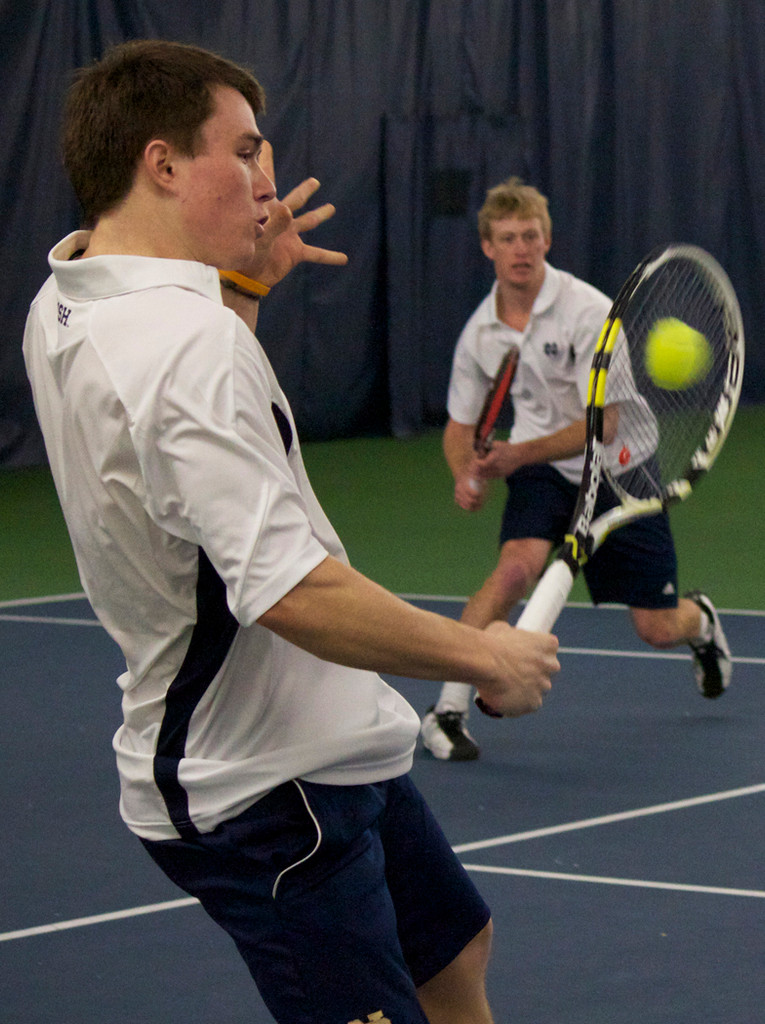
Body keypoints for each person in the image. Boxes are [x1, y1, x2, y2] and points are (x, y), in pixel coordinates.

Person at [23, 41, 560, 1024]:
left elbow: (185, 459)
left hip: (323, 732)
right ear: (163, 164)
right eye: (246, 150)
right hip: (260, 788)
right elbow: (291, 592)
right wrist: (482, 654)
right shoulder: (186, 349)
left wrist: (244, 289)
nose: (268, 182)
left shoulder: (68, 290)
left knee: (453, 950)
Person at [421, 176, 732, 762]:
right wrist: (464, 472)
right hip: (544, 468)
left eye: (531, 236)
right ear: (488, 246)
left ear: (547, 240)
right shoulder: (480, 332)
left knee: (656, 628)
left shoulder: (590, 313)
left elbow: (606, 426)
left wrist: (513, 455)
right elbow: (460, 427)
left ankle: (702, 623)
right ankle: (448, 709)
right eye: (508, 238)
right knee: (516, 569)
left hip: (621, 466)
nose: (521, 248)